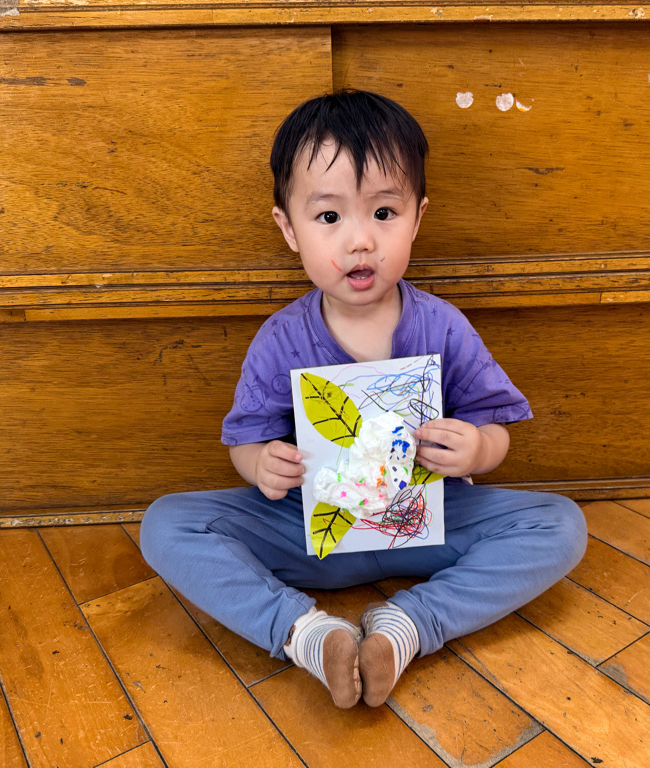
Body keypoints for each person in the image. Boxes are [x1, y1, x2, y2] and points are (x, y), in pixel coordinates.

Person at [140, 89, 587, 708]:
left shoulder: (443, 325)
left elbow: (494, 429)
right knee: (166, 523)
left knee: (560, 524)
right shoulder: (281, 338)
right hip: (311, 533)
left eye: (383, 212)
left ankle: (408, 626)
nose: (360, 241)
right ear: (288, 229)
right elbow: (246, 442)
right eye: (329, 217)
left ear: (417, 219)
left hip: (432, 524)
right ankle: (305, 634)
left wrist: (477, 449)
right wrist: (262, 465)